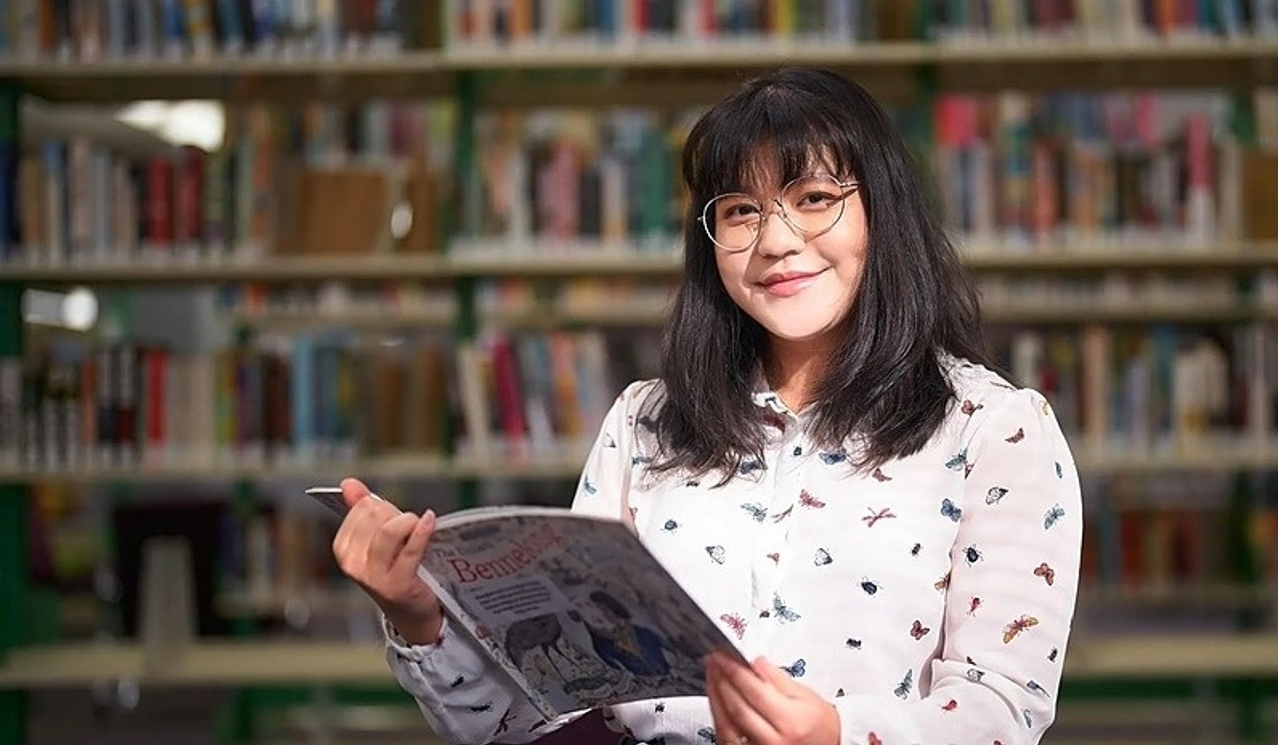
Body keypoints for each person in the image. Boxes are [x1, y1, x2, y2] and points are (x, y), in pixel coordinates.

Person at [331, 65, 1083, 745]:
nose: (777, 241)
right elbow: (545, 713)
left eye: (815, 199)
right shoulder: (644, 422)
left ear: (882, 213)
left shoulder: (996, 430)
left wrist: (836, 734)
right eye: (741, 212)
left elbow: (1003, 706)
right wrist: (419, 616)